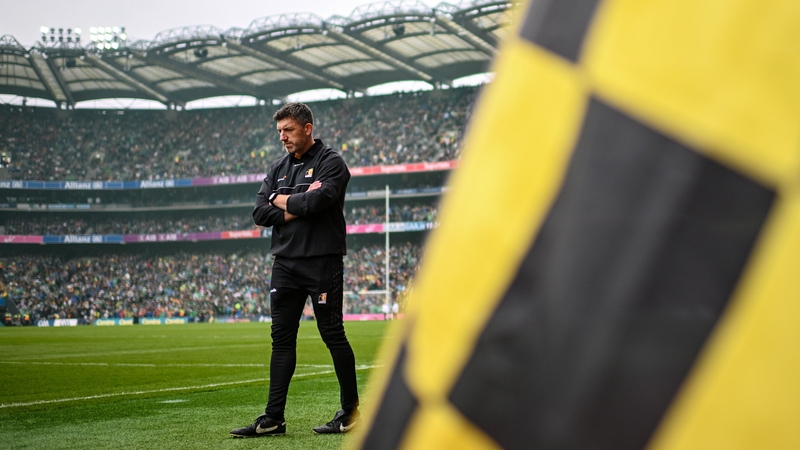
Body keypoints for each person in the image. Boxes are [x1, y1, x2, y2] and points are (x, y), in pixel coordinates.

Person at [230, 102, 360, 438]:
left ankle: (351, 412)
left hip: (321, 260)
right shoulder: (277, 167)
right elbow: (259, 213)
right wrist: (290, 201)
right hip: (284, 264)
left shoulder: (331, 162)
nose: (282, 137)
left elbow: (317, 203)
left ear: (307, 128)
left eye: (288, 130)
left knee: (332, 334)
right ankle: (273, 418)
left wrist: (280, 198)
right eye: (279, 132)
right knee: (281, 340)